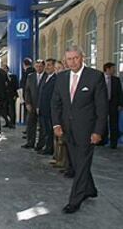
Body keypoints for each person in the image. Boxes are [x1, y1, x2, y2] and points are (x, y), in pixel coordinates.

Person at [51, 45, 108, 214]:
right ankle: (90, 189)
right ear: (65, 60)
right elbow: (55, 103)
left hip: (87, 131)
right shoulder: (61, 78)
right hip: (67, 130)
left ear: (82, 57)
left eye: (76, 58)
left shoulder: (95, 77)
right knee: (77, 163)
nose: (73, 61)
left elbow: (102, 107)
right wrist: (56, 124)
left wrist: (98, 131)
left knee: (81, 164)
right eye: (69, 59)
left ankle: (75, 200)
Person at [21, 60, 46, 149]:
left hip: (43, 105)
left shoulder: (47, 77)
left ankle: (40, 144)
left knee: (43, 126)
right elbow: (27, 90)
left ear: (43, 67)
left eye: (40, 66)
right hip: (31, 104)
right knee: (30, 124)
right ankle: (30, 142)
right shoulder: (30, 77)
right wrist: (27, 103)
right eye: (37, 66)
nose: (38, 68)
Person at [37, 59, 57, 155]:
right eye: (47, 65)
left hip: (50, 109)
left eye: (49, 65)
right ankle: (46, 146)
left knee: (50, 130)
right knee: (45, 129)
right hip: (43, 108)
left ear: (54, 67)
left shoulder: (56, 79)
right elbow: (40, 92)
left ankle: (50, 149)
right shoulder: (45, 77)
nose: (47, 67)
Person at [102, 62, 123, 149]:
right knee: (102, 123)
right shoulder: (99, 79)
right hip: (102, 104)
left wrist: (120, 104)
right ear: (107, 69)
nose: (114, 70)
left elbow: (120, 93)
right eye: (113, 68)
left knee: (114, 123)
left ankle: (113, 143)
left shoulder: (116, 80)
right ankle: (103, 140)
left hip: (113, 105)